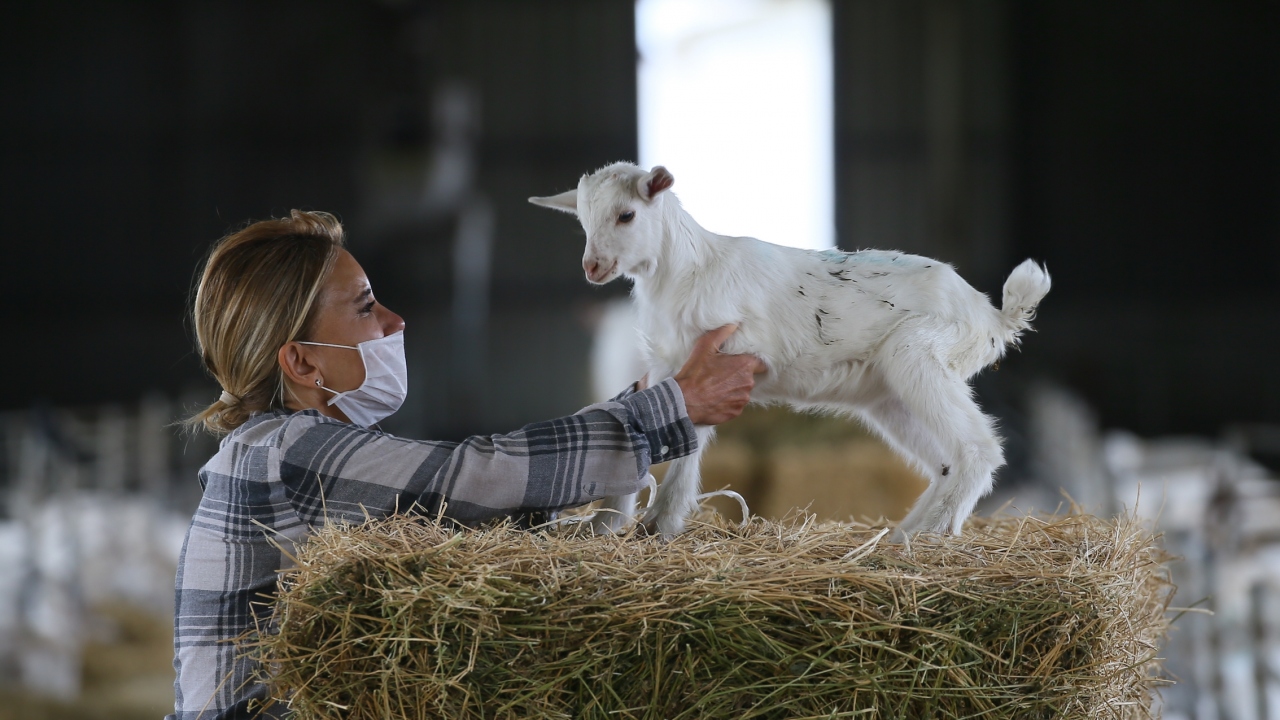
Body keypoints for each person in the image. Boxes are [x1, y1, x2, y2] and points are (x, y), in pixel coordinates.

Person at [168, 210, 763, 719]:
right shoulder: (283, 453)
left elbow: (467, 519)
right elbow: (477, 479)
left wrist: (642, 401)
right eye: (366, 308)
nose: (395, 322)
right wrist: (668, 409)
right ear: (301, 362)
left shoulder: (278, 450)